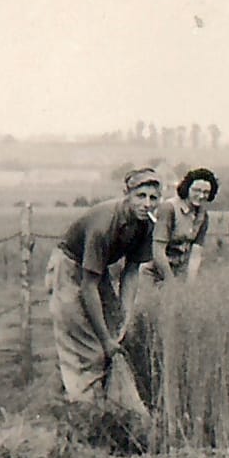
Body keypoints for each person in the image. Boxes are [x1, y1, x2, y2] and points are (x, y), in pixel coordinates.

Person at [48, 168, 161, 400]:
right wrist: (106, 340)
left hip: (97, 270)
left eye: (153, 198)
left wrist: (125, 318)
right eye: (141, 196)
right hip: (69, 268)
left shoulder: (146, 225)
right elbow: (88, 287)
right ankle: (84, 409)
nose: (147, 203)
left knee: (115, 331)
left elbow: (131, 272)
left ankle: (99, 398)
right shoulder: (104, 224)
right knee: (89, 346)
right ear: (127, 195)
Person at [150, 167, 217, 282]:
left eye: (206, 192)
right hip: (153, 272)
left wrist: (189, 285)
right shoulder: (169, 208)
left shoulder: (203, 216)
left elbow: (195, 254)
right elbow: (158, 251)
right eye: (196, 190)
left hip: (179, 272)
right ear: (187, 189)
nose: (201, 196)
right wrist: (170, 282)